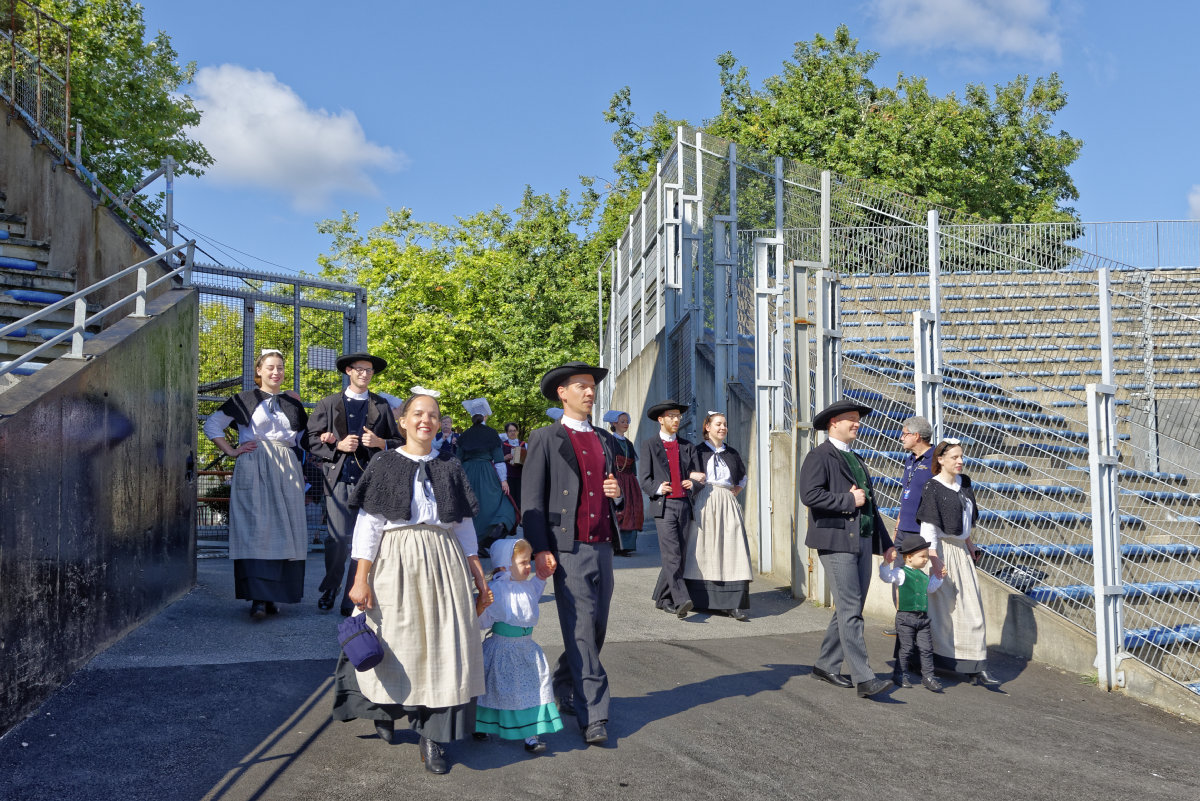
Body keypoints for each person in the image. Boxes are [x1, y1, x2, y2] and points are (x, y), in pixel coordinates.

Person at [331, 389, 492, 775]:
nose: (426, 420)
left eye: (433, 415)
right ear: (402, 421)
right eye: (417, 414)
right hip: (395, 560)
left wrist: (479, 575)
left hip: (444, 560)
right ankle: (383, 709)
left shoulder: (451, 467)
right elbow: (368, 527)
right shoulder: (385, 463)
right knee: (393, 640)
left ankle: (433, 736)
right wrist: (360, 579)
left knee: (443, 647)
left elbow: (464, 526)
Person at [521, 361, 623, 747]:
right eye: (580, 385)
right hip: (567, 549)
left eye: (592, 385)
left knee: (595, 629)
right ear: (562, 393)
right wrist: (541, 549)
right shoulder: (546, 437)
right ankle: (594, 713)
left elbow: (614, 490)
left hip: (602, 546)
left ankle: (564, 685)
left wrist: (618, 495)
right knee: (581, 629)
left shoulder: (604, 439)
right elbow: (530, 499)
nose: (589, 391)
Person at [799, 398, 895, 698]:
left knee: (849, 606)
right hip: (836, 540)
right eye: (850, 418)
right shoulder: (819, 456)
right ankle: (864, 678)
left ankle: (826, 664)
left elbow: (871, 507)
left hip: (863, 541)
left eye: (857, 418)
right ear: (833, 424)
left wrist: (887, 545)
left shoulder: (856, 458)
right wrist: (847, 501)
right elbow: (809, 495)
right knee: (851, 607)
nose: (857, 423)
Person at [203, 348, 309, 619]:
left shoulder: (294, 403)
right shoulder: (243, 399)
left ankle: (277, 596)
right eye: (271, 367)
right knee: (256, 528)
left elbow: (304, 440)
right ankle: (258, 598)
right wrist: (230, 450)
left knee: (287, 528)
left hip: (286, 466)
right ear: (259, 371)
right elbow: (212, 425)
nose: (276, 372)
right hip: (254, 463)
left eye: (281, 368)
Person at [306, 352, 403, 616]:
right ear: (349, 371)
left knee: (364, 539)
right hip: (337, 480)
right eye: (360, 369)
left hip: (370, 482)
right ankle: (331, 586)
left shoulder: (381, 406)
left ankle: (352, 597)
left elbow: (398, 442)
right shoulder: (328, 403)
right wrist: (336, 446)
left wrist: (380, 443)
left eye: (369, 371)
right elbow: (310, 439)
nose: (364, 374)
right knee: (337, 540)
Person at [916, 439, 1002, 688]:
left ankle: (977, 666)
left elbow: (965, 521)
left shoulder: (965, 484)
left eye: (961, 457)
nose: (960, 461)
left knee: (972, 609)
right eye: (954, 457)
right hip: (941, 551)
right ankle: (930, 660)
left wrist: (970, 544)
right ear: (940, 460)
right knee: (942, 610)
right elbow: (929, 526)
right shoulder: (933, 487)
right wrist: (933, 558)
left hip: (961, 551)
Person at [475, 537, 564, 754]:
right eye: (523, 562)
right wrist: (480, 605)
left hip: (527, 649)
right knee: (499, 690)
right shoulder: (497, 590)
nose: (529, 566)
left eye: (528, 562)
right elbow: (482, 621)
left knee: (534, 688)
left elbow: (535, 589)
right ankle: (481, 724)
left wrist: (543, 575)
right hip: (503, 650)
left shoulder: (527, 586)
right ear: (505, 564)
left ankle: (531, 733)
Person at [639, 399, 705, 618]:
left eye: (678, 416)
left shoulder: (688, 446)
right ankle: (681, 599)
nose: (676, 420)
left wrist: (693, 484)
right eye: (672, 416)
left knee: (680, 555)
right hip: (664, 506)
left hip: (685, 505)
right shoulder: (649, 445)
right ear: (661, 419)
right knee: (672, 555)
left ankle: (662, 597)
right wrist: (658, 487)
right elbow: (644, 480)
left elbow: (699, 475)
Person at [683, 411, 752, 621]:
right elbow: (687, 473)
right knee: (704, 547)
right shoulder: (697, 451)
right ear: (707, 427)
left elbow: (742, 477)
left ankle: (733, 603)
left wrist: (736, 492)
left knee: (732, 548)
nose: (722, 427)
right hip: (704, 499)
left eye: (725, 424)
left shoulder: (731, 453)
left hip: (727, 501)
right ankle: (701, 599)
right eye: (718, 424)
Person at [887, 415, 938, 636]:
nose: (901, 438)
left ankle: (918, 627)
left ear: (916, 436)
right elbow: (906, 495)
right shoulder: (910, 459)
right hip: (904, 528)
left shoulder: (937, 459)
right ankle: (902, 625)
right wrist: (898, 523)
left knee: (918, 582)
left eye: (904, 433)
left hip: (922, 532)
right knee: (898, 576)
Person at [878, 534, 945, 692]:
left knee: (926, 649)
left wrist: (939, 577)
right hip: (905, 618)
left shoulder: (923, 576)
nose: (926, 559)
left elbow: (930, 589)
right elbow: (886, 577)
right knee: (906, 648)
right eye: (922, 556)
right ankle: (899, 674)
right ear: (909, 557)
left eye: (927, 556)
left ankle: (928, 676)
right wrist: (886, 563)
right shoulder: (900, 573)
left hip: (922, 619)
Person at [458, 398, 516, 553]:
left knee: (472, 507)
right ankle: (487, 540)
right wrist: (503, 481)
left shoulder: (464, 435)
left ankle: (474, 542)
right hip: (487, 474)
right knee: (503, 506)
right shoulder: (491, 434)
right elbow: (498, 460)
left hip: (467, 472)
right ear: (485, 416)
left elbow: (457, 459)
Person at [603, 410, 643, 557]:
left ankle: (627, 546)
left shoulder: (628, 443)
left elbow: (632, 464)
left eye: (627, 421)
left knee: (631, 510)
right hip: (616, 478)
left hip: (629, 479)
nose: (626, 424)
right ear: (614, 423)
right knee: (618, 512)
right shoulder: (608, 441)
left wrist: (633, 479)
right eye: (622, 421)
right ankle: (616, 545)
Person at [500, 422, 527, 511]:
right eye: (510, 431)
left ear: (517, 432)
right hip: (508, 476)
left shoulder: (524, 444)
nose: (513, 433)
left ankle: (520, 519)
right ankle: (510, 520)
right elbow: (496, 460)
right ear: (507, 433)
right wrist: (504, 458)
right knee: (509, 499)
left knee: (520, 498)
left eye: (514, 431)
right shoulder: (502, 445)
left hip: (521, 476)